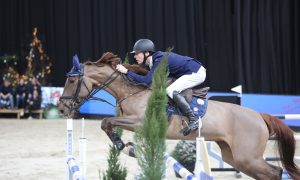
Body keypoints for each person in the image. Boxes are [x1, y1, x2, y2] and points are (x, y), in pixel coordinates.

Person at [116, 39, 206, 135]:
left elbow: (147, 81)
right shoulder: (154, 60)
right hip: (187, 72)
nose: (134, 56)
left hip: (196, 72)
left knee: (171, 90)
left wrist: (126, 72)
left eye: (137, 53)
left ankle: (194, 119)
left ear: (146, 53)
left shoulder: (159, 59)